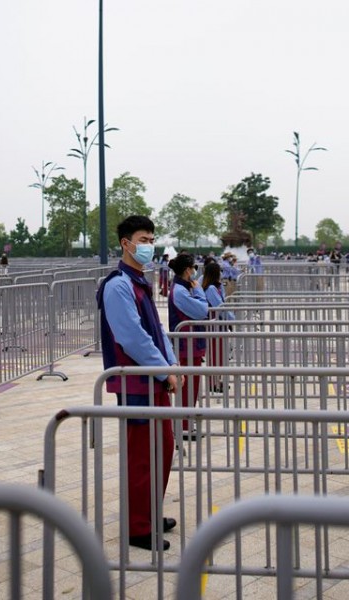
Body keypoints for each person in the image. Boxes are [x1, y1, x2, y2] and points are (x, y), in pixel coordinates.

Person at [97, 215, 180, 551]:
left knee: (162, 448)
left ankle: (149, 512)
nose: (149, 244)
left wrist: (171, 363)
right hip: (136, 383)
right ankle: (138, 527)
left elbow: (158, 331)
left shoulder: (138, 282)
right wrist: (165, 370)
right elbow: (132, 337)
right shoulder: (118, 285)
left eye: (151, 238)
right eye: (143, 239)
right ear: (126, 243)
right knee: (143, 456)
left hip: (153, 379)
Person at [167, 253, 209, 438]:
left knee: (191, 388)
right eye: (193, 268)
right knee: (187, 390)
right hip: (186, 347)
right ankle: (183, 427)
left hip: (191, 346)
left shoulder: (182, 288)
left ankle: (186, 424)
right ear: (187, 270)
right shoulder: (180, 291)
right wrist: (199, 289)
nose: (195, 272)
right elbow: (202, 311)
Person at [202, 261, 233, 393]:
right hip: (214, 327)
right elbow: (220, 307)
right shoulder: (211, 289)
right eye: (219, 271)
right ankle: (213, 383)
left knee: (220, 355)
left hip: (219, 326)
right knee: (215, 356)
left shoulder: (216, 287)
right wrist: (232, 320)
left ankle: (217, 381)